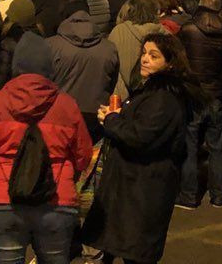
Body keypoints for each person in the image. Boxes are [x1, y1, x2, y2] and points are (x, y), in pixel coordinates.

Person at [0, 32, 92, 264]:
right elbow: (83, 156)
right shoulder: (67, 105)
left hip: (3, 202)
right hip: (56, 202)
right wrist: (69, 177)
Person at [81, 31, 201, 264]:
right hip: (134, 188)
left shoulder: (164, 97)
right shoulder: (153, 90)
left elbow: (141, 136)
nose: (145, 59)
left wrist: (112, 121)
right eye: (144, 53)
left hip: (142, 190)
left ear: (170, 62)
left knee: (135, 253)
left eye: (154, 56)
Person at [176, 0, 222, 208]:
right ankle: (218, 195)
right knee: (217, 147)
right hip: (216, 93)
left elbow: (180, 59)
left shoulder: (188, 30)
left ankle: (189, 195)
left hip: (193, 93)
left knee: (189, 146)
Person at [46, 5, 118, 143]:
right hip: (95, 115)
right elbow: (111, 81)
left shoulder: (50, 45)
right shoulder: (109, 48)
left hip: (59, 114)